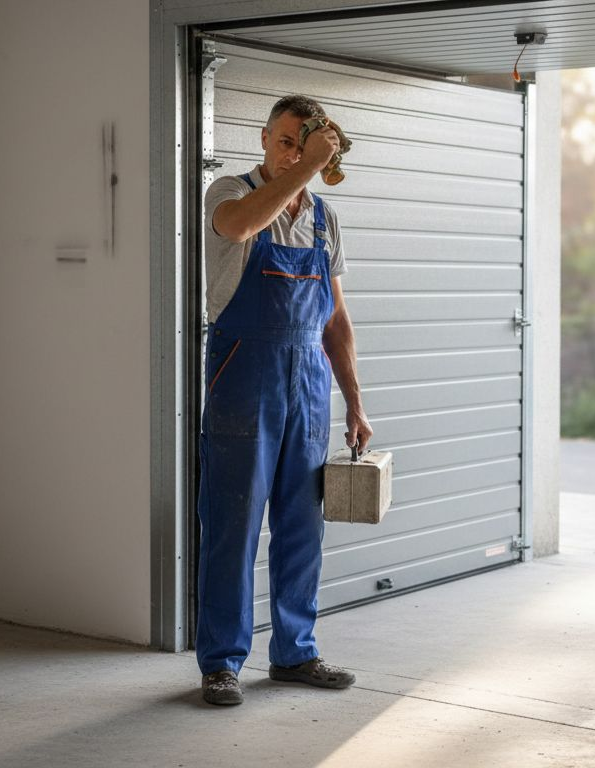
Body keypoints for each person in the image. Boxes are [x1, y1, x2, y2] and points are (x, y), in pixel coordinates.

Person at [196, 94, 372, 706]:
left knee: (302, 526)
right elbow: (241, 227)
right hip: (243, 377)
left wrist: (353, 401)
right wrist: (308, 164)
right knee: (233, 522)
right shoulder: (228, 192)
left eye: (307, 144)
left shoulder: (323, 219)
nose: (295, 153)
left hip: (307, 385)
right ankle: (221, 662)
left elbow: (337, 322)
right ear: (266, 138)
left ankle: (295, 653)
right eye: (287, 141)